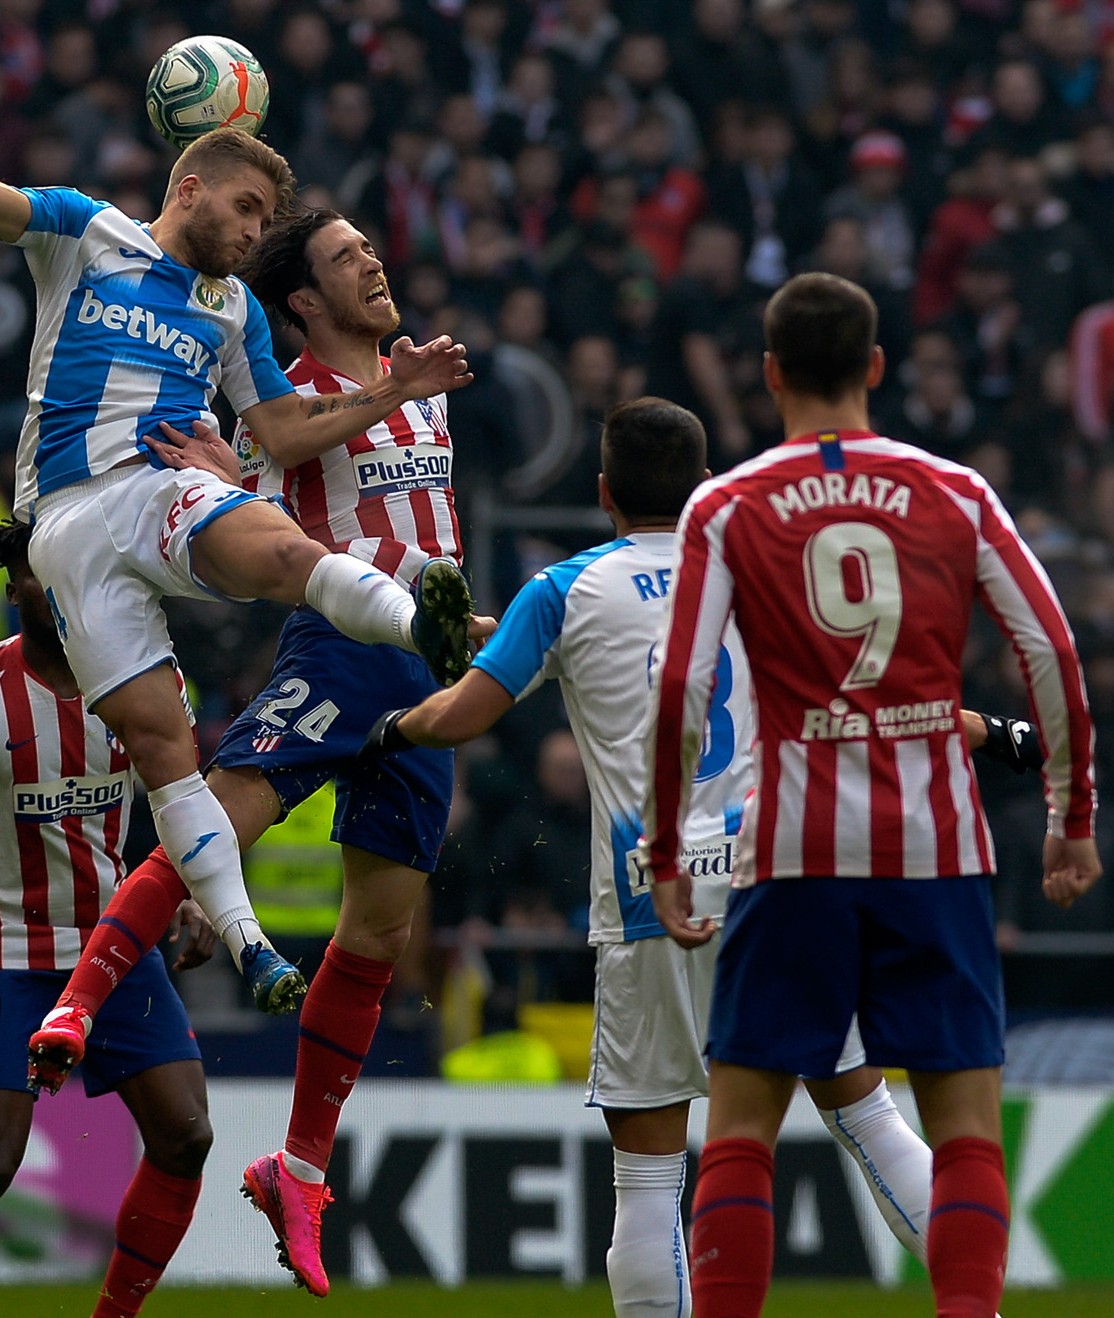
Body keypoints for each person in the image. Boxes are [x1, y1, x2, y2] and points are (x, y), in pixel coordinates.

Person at [372, 396, 1043, 1318]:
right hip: (778, 884)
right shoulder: (762, 578)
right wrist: (990, 730)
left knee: (647, 1178)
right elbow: (871, 700)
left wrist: (385, 729)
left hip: (655, 894)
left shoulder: (562, 589)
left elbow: (463, 715)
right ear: (701, 489)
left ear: (603, 491)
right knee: (868, 1116)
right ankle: (979, 1306)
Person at [0, 103, 481, 1013]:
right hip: (62, 526)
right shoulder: (89, 233)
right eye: (243, 210)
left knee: (275, 549)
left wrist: (393, 390)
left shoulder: (235, 308)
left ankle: (419, 625)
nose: (250, 236)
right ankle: (250, 945)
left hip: (152, 484)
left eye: (260, 222)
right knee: (165, 750)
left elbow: (280, 429)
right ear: (189, 187)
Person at [15, 209, 472, 1296]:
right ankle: (79, 998)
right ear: (304, 298)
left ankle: (300, 1167)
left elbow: (411, 519)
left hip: (426, 665)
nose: (374, 262)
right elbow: (271, 468)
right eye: (347, 257)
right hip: (346, 646)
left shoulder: (422, 382)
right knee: (226, 812)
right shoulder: (281, 389)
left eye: (372, 248)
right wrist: (258, 459)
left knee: (382, 923)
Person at [643, 273, 1100, 1318]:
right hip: (935, 848)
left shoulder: (727, 502)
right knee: (966, 1128)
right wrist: (1070, 821)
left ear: (769, 376)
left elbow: (682, 686)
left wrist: (668, 850)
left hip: (793, 850)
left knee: (745, 1125)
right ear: (877, 369)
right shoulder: (955, 491)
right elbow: (1053, 649)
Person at [0, 520, 216, 1318]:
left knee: (187, 1136)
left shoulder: (146, 683)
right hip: (4, 947)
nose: (53, 586)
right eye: (36, 574)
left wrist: (196, 894)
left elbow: (180, 802)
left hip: (115, 945)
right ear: (13, 587)